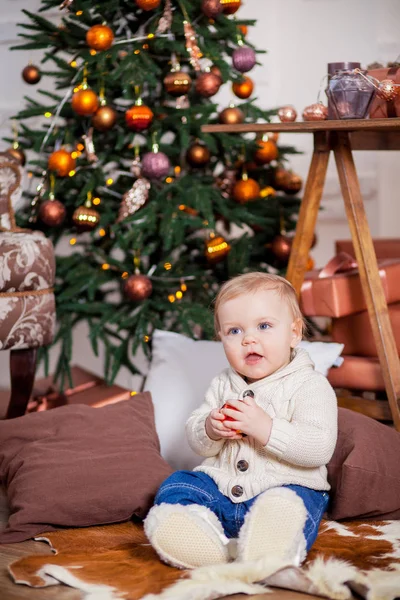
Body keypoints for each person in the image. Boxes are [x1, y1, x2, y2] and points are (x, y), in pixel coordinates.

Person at [144, 272, 338, 569]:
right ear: (221, 338)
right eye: (234, 331)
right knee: (178, 483)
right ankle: (200, 537)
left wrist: (266, 429)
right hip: (222, 488)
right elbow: (200, 445)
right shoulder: (224, 383)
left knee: (291, 504)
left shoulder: (310, 385)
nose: (249, 339)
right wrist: (210, 428)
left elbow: (319, 448)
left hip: (285, 487)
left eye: (264, 326)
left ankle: (271, 546)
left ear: (294, 333)